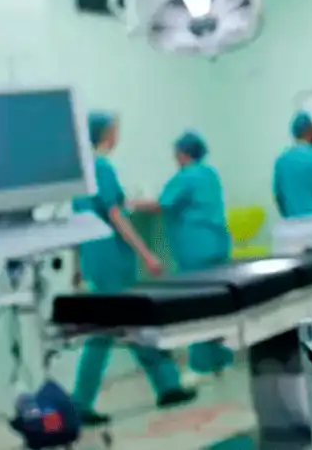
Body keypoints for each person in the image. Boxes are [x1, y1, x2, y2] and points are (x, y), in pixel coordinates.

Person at [71, 112, 197, 426]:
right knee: (106, 332)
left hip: (95, 259)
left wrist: (78, 266)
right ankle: (80, 404)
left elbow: (76, 225)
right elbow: (115, 214)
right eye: (116, 131)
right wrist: (147, 254)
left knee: (133, 325)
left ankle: (167, 386)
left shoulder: (80, 173)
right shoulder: (101, 167)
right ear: (108, 134)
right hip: (113, 259)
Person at [130, 131, 235, 376]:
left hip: (195, 247)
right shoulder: (210, 174)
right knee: (217, 303)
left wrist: (130, 203)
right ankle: (220, 359)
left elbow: (160, 205)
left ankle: (200, 365)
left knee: (197, 306)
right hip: (217, 245)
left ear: (182, 153)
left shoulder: (185, 176)